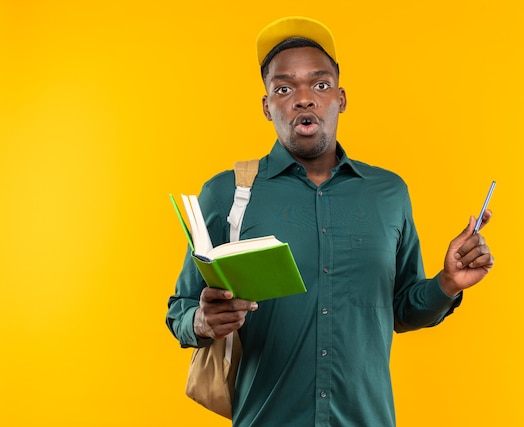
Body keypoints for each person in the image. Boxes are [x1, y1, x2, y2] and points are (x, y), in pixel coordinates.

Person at [166, 16, 494, 426]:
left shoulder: (389, 193)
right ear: (268, 107)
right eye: (284, 88)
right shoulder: (226, 194)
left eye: (319, 85)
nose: (304, 99)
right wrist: (199, 320)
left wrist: (447, 284)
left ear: (341, 98)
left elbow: (402, 311)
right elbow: (179, 310)